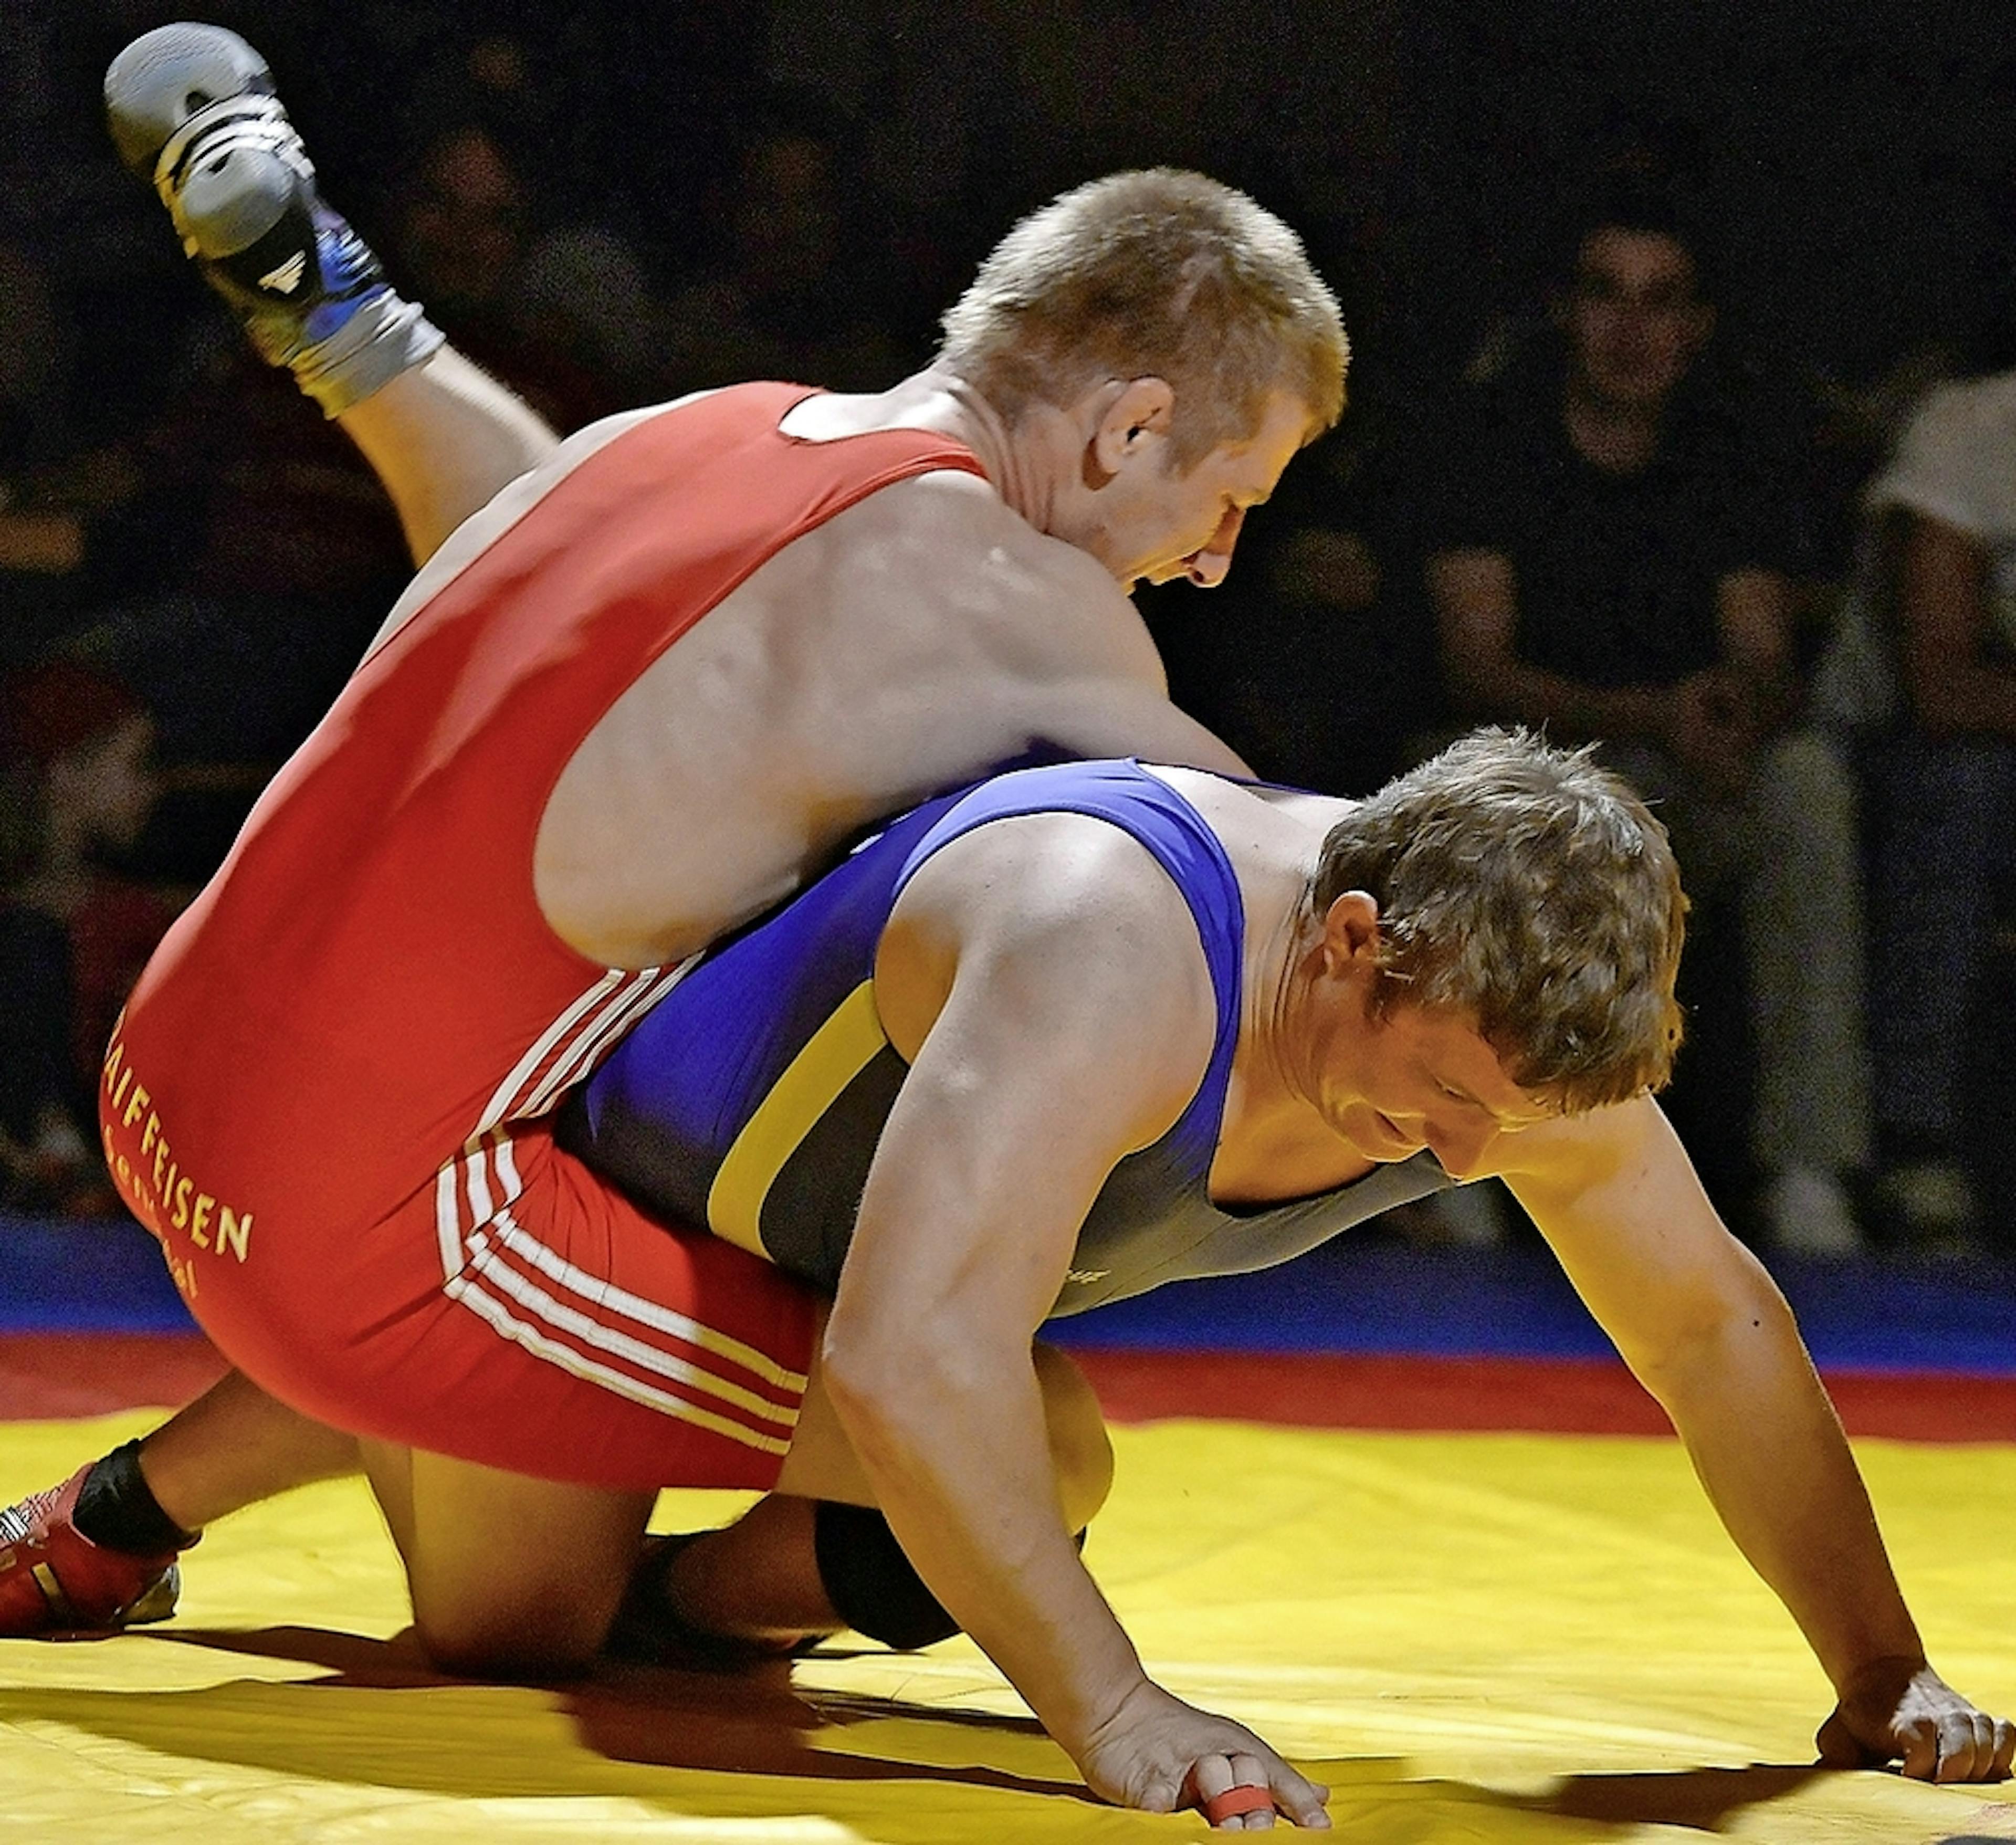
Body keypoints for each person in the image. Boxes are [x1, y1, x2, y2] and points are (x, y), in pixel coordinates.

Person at [2, 19, 1349, 1830]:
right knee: (1037, 1442)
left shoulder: (699, 430)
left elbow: (480, 506)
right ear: (1128, 425)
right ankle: (695, 1606)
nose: (1210, 561)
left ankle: (121, 1516)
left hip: (164, 1083)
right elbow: (1289, 884)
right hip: (369, 1229)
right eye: (1228, 498)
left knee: (512, 1597)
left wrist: (363, 352)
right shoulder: (1045, 623)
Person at [16, 733, 2015, 1821]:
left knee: (1030, 1464)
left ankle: (700, 1603)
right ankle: (128, 1503)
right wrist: (1114, 1709)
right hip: (566, 1205)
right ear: (1349, 944)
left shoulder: (1497, 1018)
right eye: (1447, 1100)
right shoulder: (1107, 942)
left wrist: (1877, 1667)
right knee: (512, 1635)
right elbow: (904, 1350)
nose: (1479, 1161)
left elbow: (1712, 1322)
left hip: (790, 1276)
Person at [1420, 167, 1874, 1257]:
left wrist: (1735, 710)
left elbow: (1760, 650)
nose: (1633, 326)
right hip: (1523, 770)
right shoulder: (1490, 445)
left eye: (1661, 299)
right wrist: (1651, 711)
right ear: (1566, 314)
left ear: (1696, 327)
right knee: (1450, 785)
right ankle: (1443, 1156)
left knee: (1806, 781)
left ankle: (1809, 1166)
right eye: (1608, 294)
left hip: (1672, 774)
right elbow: (1477, 665)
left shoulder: (1729, 458)